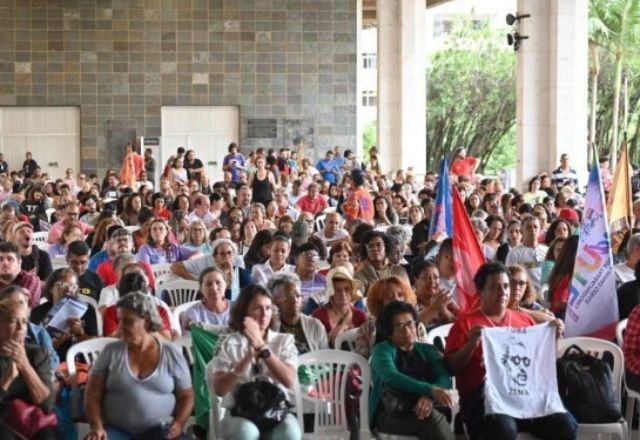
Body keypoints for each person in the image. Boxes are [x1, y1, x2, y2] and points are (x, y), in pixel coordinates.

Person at [444, 262, 575, 440]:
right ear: (481, 291)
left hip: (526, 395)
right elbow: (451, 367)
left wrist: (555, 337)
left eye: (506, 286)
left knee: (565, 424)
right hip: (486, 398)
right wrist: (470, 345)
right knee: (502, 429)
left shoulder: (524, 321)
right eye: (495, 287)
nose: (503, 292)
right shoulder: (466, 323)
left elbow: (540, 363)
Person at [85, 292, 194, 439]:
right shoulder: (110, 352)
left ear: (147, 321)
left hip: (160, 431)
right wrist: (97, 427)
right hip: (117, 430)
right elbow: (92, 394)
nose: (121, 327)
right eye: (120, 321)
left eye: (128, 321)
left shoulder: (170, 353)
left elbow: (186, 395)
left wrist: (179, 423)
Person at [209, 285, 301, 440]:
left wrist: (263, 348)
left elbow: (289, 380)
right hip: (239, 412)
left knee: (289, 432)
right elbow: (219, 389)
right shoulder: (229, 342)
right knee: (247, 432)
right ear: (244, 312)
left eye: (268, 308)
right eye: (257, 309)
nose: (264, 315)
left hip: (276, 411)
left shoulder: (284, 341)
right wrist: (247, 358)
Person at [369, 301, 455, 440]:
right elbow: (392, 376)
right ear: (389, 333)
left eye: (410, 324)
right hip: (391, 412)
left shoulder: (428, 350)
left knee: (431, 417)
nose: (407, 330)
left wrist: (429, 397)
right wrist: (430, 390)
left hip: (426, 407)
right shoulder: (382, 350)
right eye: (400, 326)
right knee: (431, 418)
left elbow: (443, 376)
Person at [0, 298, 57, 440]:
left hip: (30, 419)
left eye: (24, 322)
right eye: (13, 321)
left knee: (48, 435)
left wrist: (24, 365)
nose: (21, 328)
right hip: (2, 420)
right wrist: (8, 378)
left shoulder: (37, 354)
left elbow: (47, 404)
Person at [30, 268, 98, 359]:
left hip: (80, 364)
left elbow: (95, 346)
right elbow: (33, 352)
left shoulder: (88, 309)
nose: (69, 289)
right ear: (51, 288)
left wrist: (80, 333)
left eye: (73, 286)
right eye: (63, 285)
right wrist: (58, 340)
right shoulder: (37, 312)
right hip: (50, 363)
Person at [354, 276, 420, 359]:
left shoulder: (417, 326)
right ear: (380, 302)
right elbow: (361, 361)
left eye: (400, 295)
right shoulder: (366, 330)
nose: (397, 299)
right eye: (390, 296)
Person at [171, 238, 251, 301]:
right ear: (215, 257)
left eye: (229, 253)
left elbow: (250, 294)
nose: (226, 256)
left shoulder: (241, 272)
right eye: (222, 254)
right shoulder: (210, 273)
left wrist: (230, 273)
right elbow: (222, 298)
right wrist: (193, 280)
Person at [269, 273, 328, 354]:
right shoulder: (269, 327)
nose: (295, 300)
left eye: (298, 295)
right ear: (274, 300)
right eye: (289, 296)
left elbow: (326, 358)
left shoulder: (315, 325)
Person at [312, 266, 367, 347]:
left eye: (346, 289)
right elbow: (315, 346)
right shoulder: (318, 316)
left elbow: (366, 346)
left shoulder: (360, 316)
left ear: (351, 292)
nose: (343, 294)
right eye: (337, 290)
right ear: (330, 293)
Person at [354, 230, 409, 295]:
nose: (375, 248)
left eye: (379, 245)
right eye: (370, 246)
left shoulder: (398, 271)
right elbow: (357, 299)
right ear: (365, 250)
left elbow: (408, 295)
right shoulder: (360, 275)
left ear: (386, 248)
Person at [180, 268, 230, 332]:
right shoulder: (193, 313)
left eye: (218, 282)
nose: (214, 288)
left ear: (226, 285)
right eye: (208, 284)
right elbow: (189, 340)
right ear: (201, 289)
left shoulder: (239, 309)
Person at [505, 215, 548, 292]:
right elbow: (510, 277)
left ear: (540, 230)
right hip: (526, 296)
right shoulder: (514, 253)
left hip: (547, 295)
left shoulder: (548, 251)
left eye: (535, 227)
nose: (532, 230)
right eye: (528, 227)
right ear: (521, 231)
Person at [0, 241, 41, 307]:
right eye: (0, 259)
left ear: (19, 262)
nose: (5, 263)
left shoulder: (32, 280)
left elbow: (19, 307)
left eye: (10, 259)